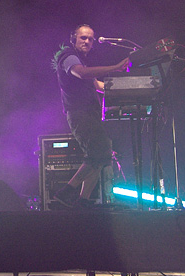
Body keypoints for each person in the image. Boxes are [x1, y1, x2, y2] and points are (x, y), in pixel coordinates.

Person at [52, 24, 129, 209]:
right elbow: (82, 73)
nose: (87, 41)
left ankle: (83, 200)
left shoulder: (81, 60)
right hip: (80, 113)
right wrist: (116, 67)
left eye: (90, 39)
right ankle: (67, 191)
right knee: (100, 153)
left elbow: (98, 85)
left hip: (90, 114)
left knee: (100, 156)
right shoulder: (69, 57)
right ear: (73, 39)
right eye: (83, 38)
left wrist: (128, 87)